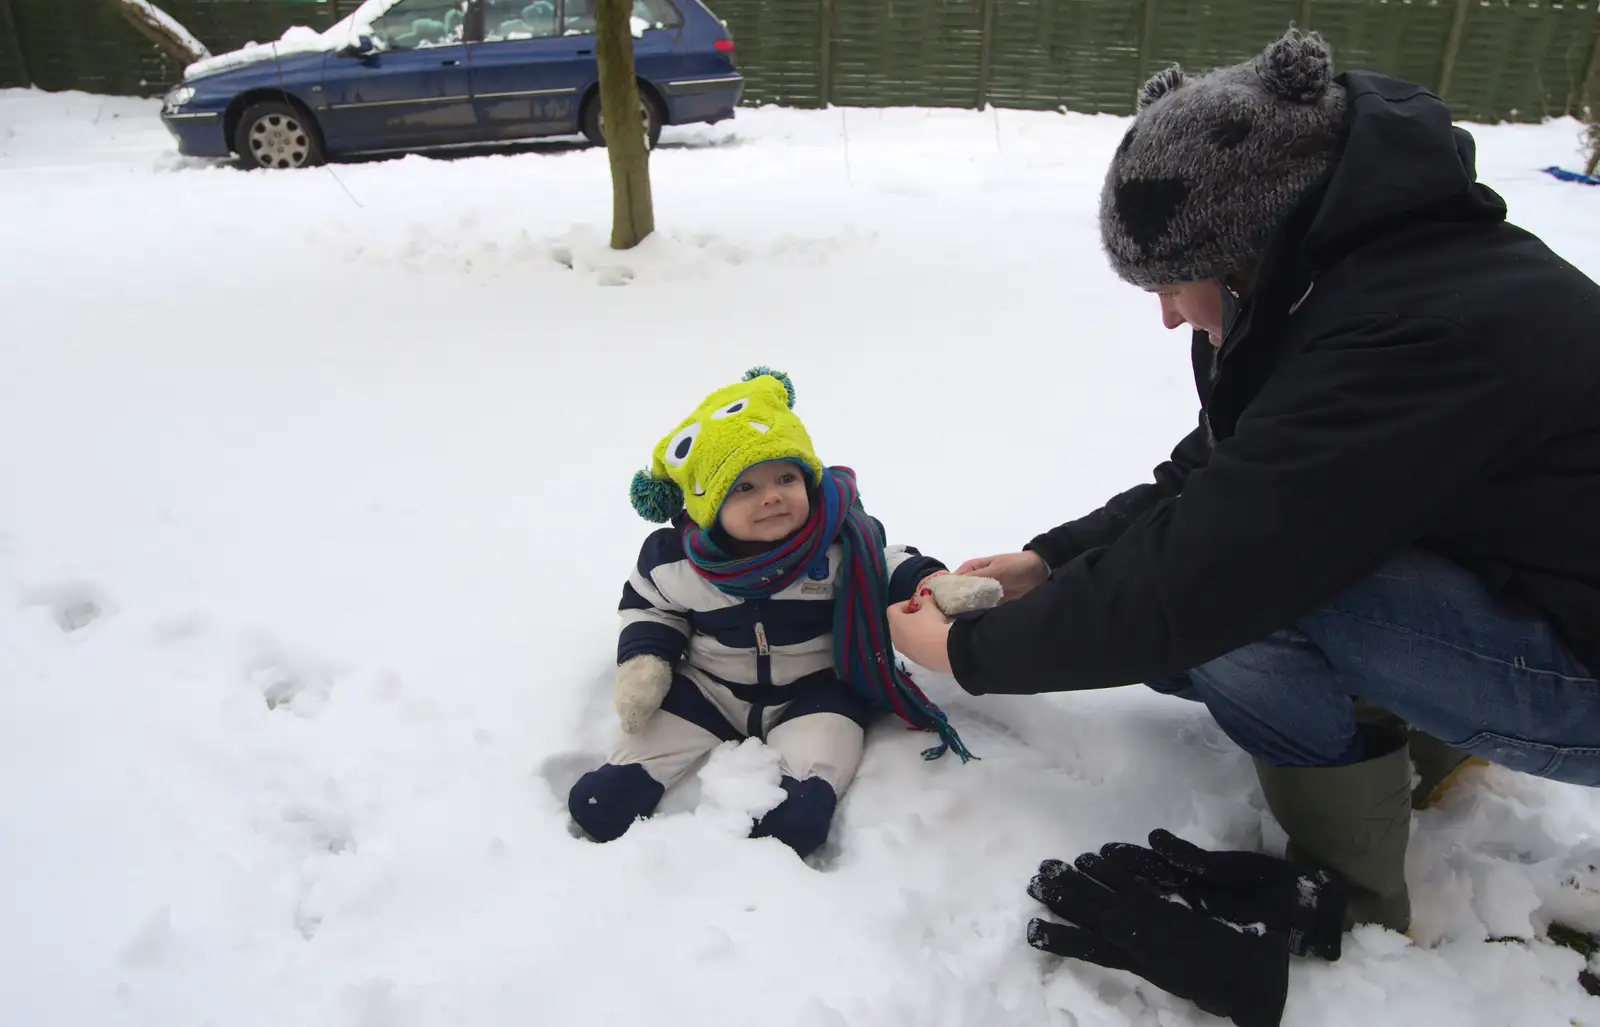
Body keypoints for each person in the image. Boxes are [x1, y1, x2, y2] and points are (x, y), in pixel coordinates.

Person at [888, 28, 1600, 940]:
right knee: (1198, 625)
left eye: (1175, 284)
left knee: (1245, 614)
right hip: (1531, 592)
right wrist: (1050, 562)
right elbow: (1226, 472)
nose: (1167, 314)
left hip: (1579, 664)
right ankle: (1424, 748)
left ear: (1241, 248)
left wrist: (972, 658)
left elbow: (1217, 564)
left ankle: (1348, 894)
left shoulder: (1415, 329)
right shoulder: (1333, 280)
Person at [569, 367, 999, 857]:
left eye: (786, 477)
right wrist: (646, 662)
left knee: (820, 762)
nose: (772, 495)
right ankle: (630, 776)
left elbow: (887, 570)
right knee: (608, 795)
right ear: (708, 505)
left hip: (814, 689)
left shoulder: (840, 543)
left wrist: (935, 585)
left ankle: (804, 795)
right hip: (711, 687)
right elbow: (651, 606)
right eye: (744, 488)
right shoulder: (676, 561)